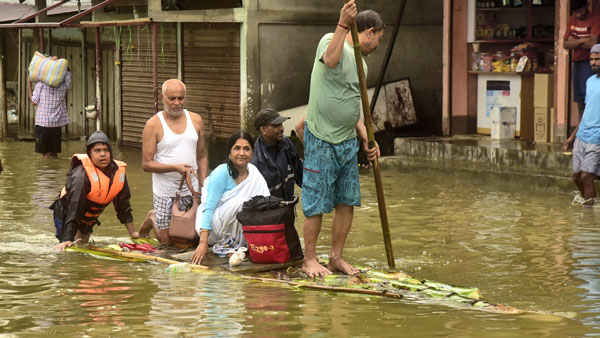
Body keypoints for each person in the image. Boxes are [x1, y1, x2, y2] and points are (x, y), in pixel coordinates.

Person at [301, 0, 383, 277]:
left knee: (346, 201)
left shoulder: (362, 65)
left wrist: (366, 138)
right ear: (369, 32)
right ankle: (309, 259)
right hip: (322, 136)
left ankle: (335, 257)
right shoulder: (330, 40)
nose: (378, 45)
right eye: (379, 39)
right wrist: (341, 23)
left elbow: (353, 108)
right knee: (316, 200)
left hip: (347, 140)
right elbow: (330, 59)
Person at [139, 79, 208, 245]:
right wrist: (175, 168)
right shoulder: (153, 125)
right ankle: (152, 218)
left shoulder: (196, 120)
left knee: (187, 237)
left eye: (181, 98)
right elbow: (146, 164)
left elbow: (202, 156)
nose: (177, 103)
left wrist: (203, 183)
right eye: (172, 99)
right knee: (166, 243)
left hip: (191, 188)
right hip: (165, 191)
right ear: (162, 98)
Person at [191, 131, 270, 265]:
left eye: (246, 149)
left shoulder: (254, 173)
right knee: (242, 202)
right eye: (237, 148)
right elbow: (208, 209)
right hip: (212, 229)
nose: (242, 153)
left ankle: (241, 245)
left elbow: (265, 204)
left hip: (240, 229)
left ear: (252, 152)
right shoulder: (221, 173)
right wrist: (203, 243)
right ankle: (225, 247)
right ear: (230, 153)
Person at [52, 131, 140, 251]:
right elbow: (74, 206)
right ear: (89, 154)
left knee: (83, 244)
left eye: (106, 150)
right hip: (67, 214)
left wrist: (133, 233)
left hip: (88, 218)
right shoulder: (81, 176)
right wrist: (66, 238)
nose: (103, 154)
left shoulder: (119, 173)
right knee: (74, 247)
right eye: (97, 151)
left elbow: (123, 205)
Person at [566, 44, 600, 206]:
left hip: (597, 138)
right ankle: (588, 203)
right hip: (582, 135)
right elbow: (587, 111)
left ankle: (588, 218)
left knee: (587, 176)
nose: (594, 62)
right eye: (592, 59)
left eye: (597, 59)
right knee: (577, 176)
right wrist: (572, 136)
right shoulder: (590, 81)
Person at [564, 0, 600, 149]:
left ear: (587, 7)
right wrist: (583, 40)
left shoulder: (595, 18)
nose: (580, 14)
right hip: (577, 62)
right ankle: (580, 137)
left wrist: (575, 40)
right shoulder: (572, 19)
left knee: (589, 101)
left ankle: (586, 137)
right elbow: (565, 43)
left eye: (582, 10)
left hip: (588, 63)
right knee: (579, 101)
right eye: (577, 12)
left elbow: (593, 44)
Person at [251, 108, 303, 201]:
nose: (282, 128)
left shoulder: (286, 144)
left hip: (287, 209)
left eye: (281, 124)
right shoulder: (255, 160)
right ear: (263, 130)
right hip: (267, 212)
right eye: (276, 125)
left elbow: (299, 170)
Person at [28, 61, 71, 159]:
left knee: (45, 155)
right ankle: (54, 173)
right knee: (54, 154)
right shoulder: (63, 86)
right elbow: (68, 77)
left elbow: (34, 101)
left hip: (43, 124)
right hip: (56, 124)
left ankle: (46, 173)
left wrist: (29, 86)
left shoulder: (41, 84)